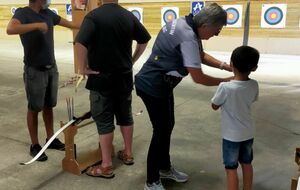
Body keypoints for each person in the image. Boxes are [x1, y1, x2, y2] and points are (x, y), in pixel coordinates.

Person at [134, 3, 232, 190]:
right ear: (205, 25)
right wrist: (227, 81)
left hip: (161, 85)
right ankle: (152, 181)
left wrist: (225, 66)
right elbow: (198, 77)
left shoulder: (185, 24)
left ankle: (164, 168)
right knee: (161, 131)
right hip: (153, 86)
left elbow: (199, 55)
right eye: (217, 30)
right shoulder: (188, 36)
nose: (217, 34)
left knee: (167, 126)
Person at [74, 0, 151, 178]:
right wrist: (131, 61)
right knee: (125, 116)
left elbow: (80, 43)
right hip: (123, 78)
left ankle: (107, 165)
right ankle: (128, 153)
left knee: (104, 120)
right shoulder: (128, 16)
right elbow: (144, 40)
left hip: (101, 79)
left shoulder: (93, 16)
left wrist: (82, 67)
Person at [6, 0, 80, 161]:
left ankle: (50, 138)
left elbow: (72, 25)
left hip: (51, 68)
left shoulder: (49, 14)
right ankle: (35, 145)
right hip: (34, 70)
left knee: (49, 106)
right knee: (34, 108)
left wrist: (91, 21)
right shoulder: (23, 13)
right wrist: (37, 26)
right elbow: (10, 29)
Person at [211, 46, 259, 190]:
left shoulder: (225, 87)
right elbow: (252, 99)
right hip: (248, 133)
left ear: (231, 64)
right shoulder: (254, 84)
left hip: (231, 136)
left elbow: (214, 105)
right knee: (247, 163)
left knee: (231, 168)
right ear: (254, 67)